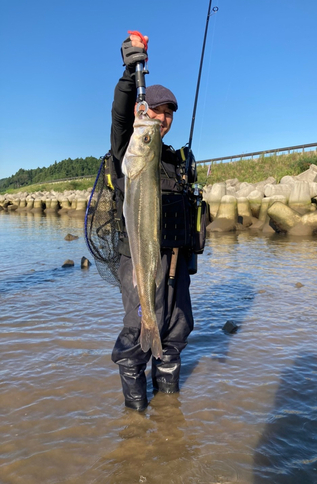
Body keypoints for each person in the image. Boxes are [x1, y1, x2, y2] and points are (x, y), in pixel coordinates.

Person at [109, 32, 198, 411]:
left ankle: (168, 415)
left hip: (177, 262)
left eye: (167, 113)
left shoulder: (177, 162)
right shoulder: (130, 151)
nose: (161, 117)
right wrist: (132, 74)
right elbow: (120, 115)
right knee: (137, 331)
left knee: (176, 330)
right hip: (140, 257)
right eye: (155, 110)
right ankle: (135, 418)